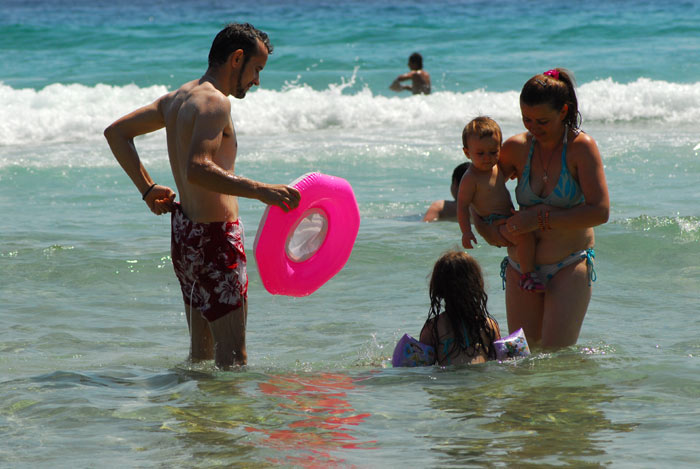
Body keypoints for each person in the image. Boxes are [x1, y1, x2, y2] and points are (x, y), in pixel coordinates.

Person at [104, 23, 301, 368]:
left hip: (185, 236)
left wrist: (147, 189)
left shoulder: (176, 98)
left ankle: (199, 420)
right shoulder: (215, 102)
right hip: (215, 239)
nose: (257, 81)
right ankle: (223, 422)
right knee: (233, 357)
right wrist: (262, 191)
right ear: (237, 59)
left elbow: (116, 133)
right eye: (256, 69)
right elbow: (199, 168)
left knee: (201, 355)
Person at [472, 68, 609, 349]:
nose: (533, 127)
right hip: (521, 268)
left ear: (564, 111)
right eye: (526, 119)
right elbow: (475, 187)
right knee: (523, 357)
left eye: (542, 121)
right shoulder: (516, 148)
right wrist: (485, 229)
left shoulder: (581, 148)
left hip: (568, 264)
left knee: (556, 359)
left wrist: (539, 219)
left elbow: (600, 211)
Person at [457, 117, 543, 292]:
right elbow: (462, 206)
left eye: (493, 152)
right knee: (523, 237)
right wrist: (466, 231)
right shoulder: (470, 178)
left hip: (506, 216)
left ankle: (526, 270)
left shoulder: (496, 168)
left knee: (530, 232)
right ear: (467, 153)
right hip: (492, 221)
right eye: (480, 154)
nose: (488, 158)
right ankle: (528, 276)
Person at [419, 251, 501, 365]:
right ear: (476, 285)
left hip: (449, 382)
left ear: (439, 289)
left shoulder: (433, 329)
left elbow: (422, 369)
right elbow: (501, 361)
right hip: (482, 381)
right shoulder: (488, 326)